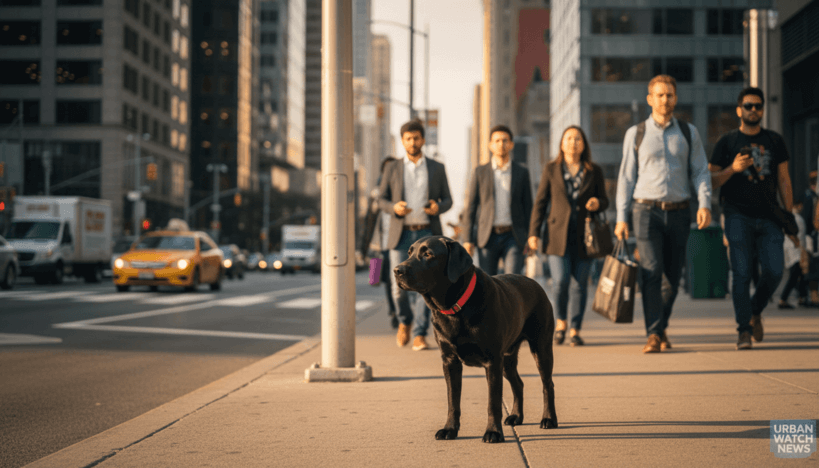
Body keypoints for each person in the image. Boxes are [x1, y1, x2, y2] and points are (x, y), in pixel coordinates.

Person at [615, 75, 712, 354]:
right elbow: (625, 178)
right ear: (650, 99)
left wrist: (704, 203)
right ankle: (653, 334)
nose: (665, 100)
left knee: (673, 276)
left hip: (680, 211)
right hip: (645, 211)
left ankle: (660, 325)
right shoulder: (636, 133)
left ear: (675, 98)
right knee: (652, 271)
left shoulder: (688, 131)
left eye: (669, 95)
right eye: (660, 95)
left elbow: (701, 171)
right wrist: (621, 217)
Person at [710, 87, 795, 350]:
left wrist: (788, 218)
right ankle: (743, 330)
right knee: (742, 273)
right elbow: (711, 181)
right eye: (748, 105)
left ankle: (755, 310)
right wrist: (732, 169)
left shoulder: (775, 140)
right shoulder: (726, 142)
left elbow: (783, 179)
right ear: (739, 110)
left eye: (758, 106)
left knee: (774, 271)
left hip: (770, 216)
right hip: (737, 215)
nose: (754, 110)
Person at [528, 126, 608, 346]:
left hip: (585, 237)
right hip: (556, 236)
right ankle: (561, 321)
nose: (573, 142)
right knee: (561, 281)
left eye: (578, 138)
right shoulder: (551, 169)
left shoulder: (594, 170)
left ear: (584, 144)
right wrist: (533, 233)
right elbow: (541, 203)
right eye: (569, 138)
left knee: (580, 285)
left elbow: (605, 200)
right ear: (562, 144)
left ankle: (575, 328)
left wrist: (598, 203)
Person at [379, 119, 453, 351]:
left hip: (427, 234)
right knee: (396, 287)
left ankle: (420, 333)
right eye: (408, 139)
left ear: (423, 139)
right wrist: (394, 208)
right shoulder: (392, 168)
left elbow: (448, 199)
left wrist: (437, 208)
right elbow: (381, 200)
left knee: (428, 286)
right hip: (399, 235)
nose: (412, 142)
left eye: (416, 138)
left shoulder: (437, 167)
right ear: (402, 141)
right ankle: (405, 322)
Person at [462, 125, 533, 276]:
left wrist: (530, 235)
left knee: (512, 280)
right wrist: (467, 239)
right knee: (488, 283)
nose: (501, 144)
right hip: (487, 236)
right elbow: (471, 208)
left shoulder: (522, 172)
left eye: (505, 140)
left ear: (511, 144)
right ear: (490, 145)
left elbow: (528, 207)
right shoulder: (480, 172)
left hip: (513, 236)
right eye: (497, 141)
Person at [359, 157, 399, 328]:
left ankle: (399, 309)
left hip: (399, 240)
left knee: (397, 279)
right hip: (382, 244)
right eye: (387, 169)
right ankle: (393, 310)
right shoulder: (376, 193)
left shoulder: (401, 190)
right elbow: (369, 221)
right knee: (388, 280)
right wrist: (363, 247)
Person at [779, 199, 807, 309]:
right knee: (794, 276)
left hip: (789, 251)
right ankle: (783, 299)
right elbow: (801, 238)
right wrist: (803, 252)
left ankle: (802, 297)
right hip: (795, 251)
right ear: (798, 205)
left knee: (797, 275)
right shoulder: (798, 219)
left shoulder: (787, 217)